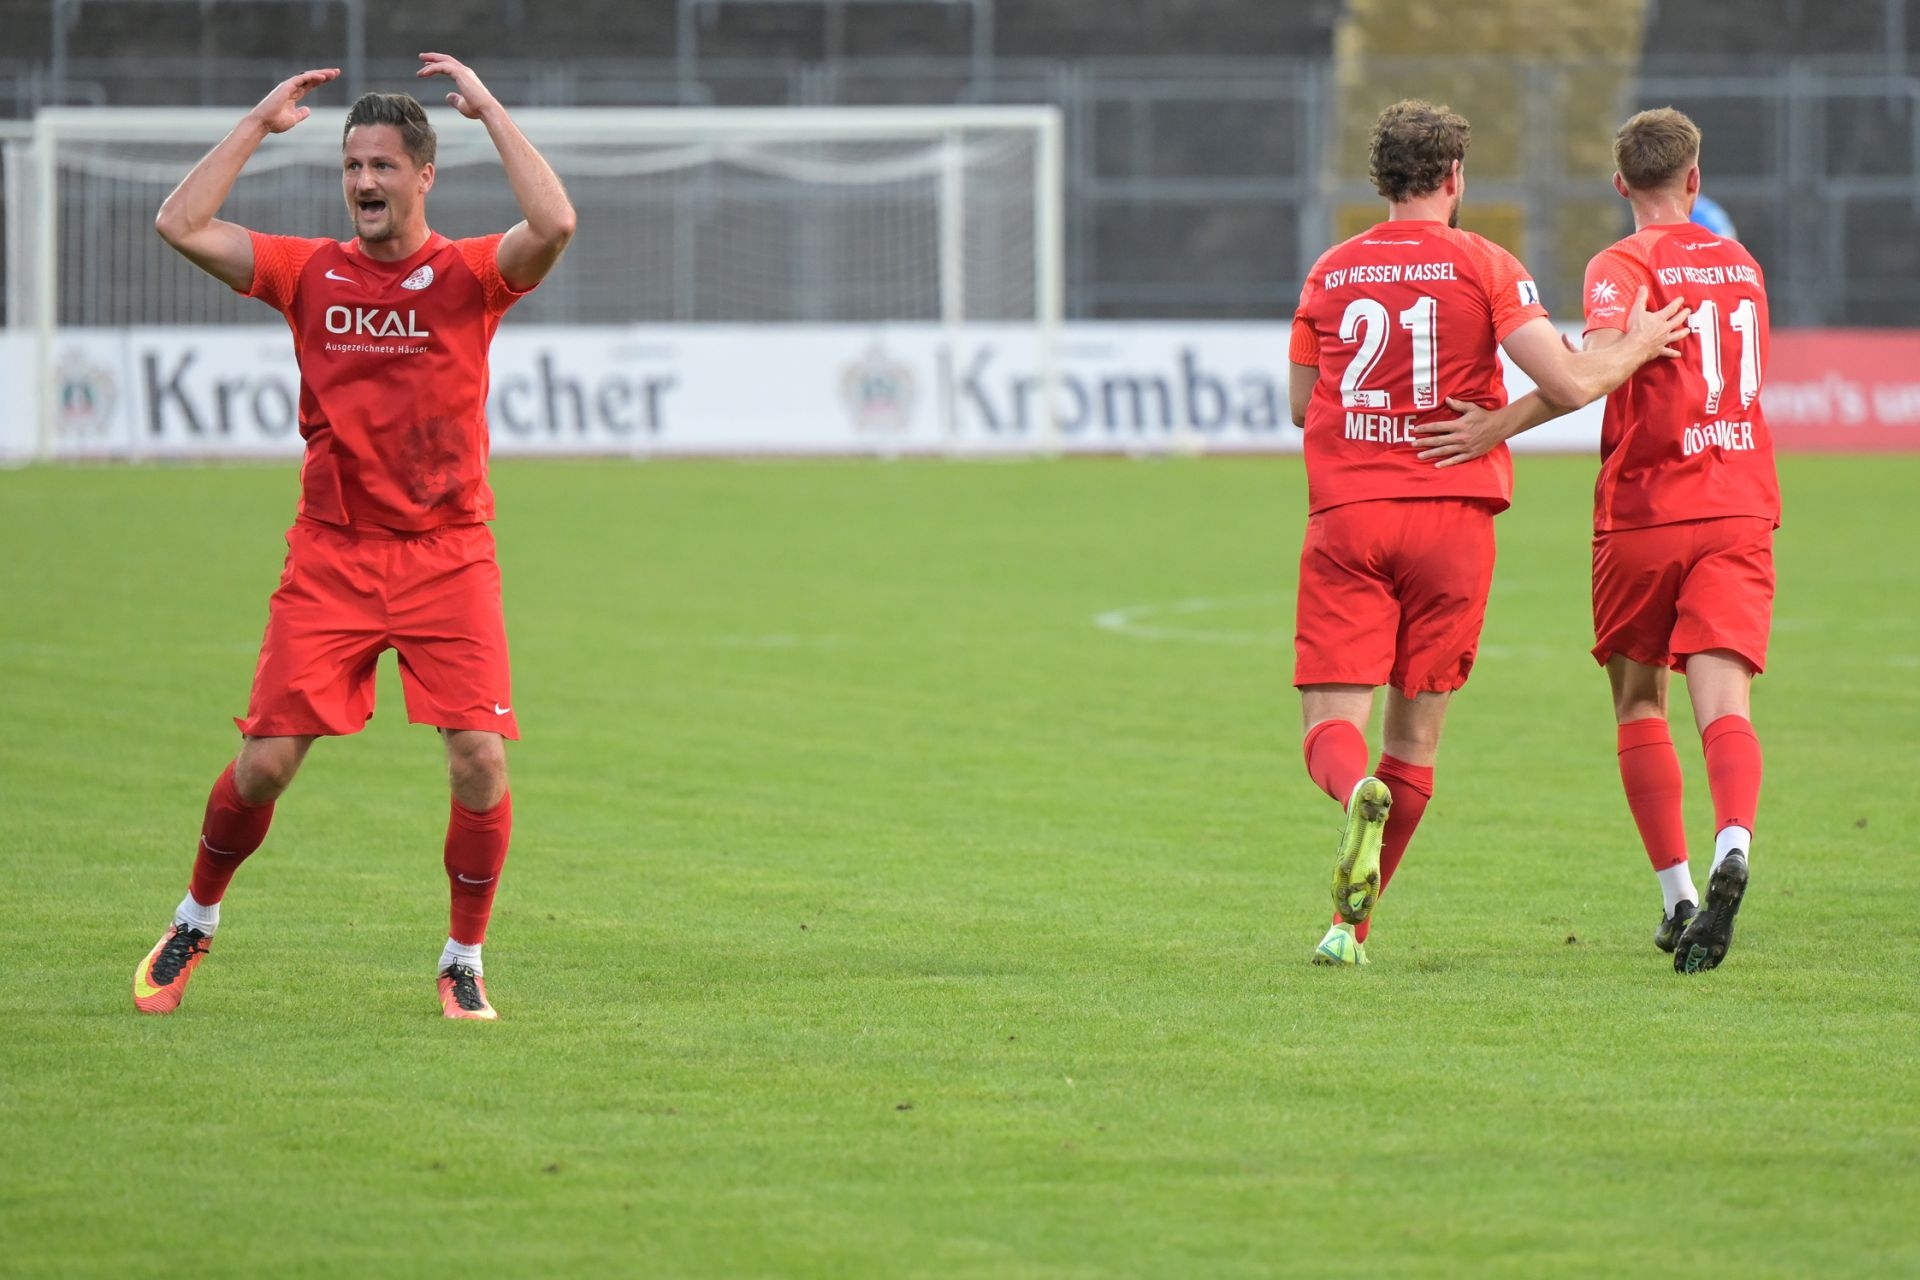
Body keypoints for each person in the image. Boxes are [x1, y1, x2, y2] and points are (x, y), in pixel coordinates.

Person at [132, 55, 576, 1019]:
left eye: (382, 165)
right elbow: (180, 224)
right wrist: (257, 124)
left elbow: (554, 225)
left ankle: (463, 959)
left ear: (424, 175)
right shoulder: (306, 272)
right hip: (333, 555)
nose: (364, 182)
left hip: (449, 553)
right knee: (265, 765)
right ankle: (194, 920)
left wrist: (491, 110)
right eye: (351, 166)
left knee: (481, 759)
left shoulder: (469, 276)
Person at [1288, 99, 1687, 966]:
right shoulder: (1486, 264)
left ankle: (1352, 794)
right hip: (1454, 522)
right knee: (1414, 744)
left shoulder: (1329, 272)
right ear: (1456, 176)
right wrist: (1638, 343)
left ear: (1381, 180)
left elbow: (1298, 403)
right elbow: (1571, 384)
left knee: (1330, 725)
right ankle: (1347, 930)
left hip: (1351, 515)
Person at [1414, 108, 1776, 974]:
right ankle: (1734, 843)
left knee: (1640, 704)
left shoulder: (1622, 264)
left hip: (1647, 509)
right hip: (1739, 503)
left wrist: (1497, 423)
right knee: (1725, 703)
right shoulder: (1744, 265)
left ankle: (1680, 897)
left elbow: (1589, 372)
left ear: (1620, 183)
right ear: (1695, 177)